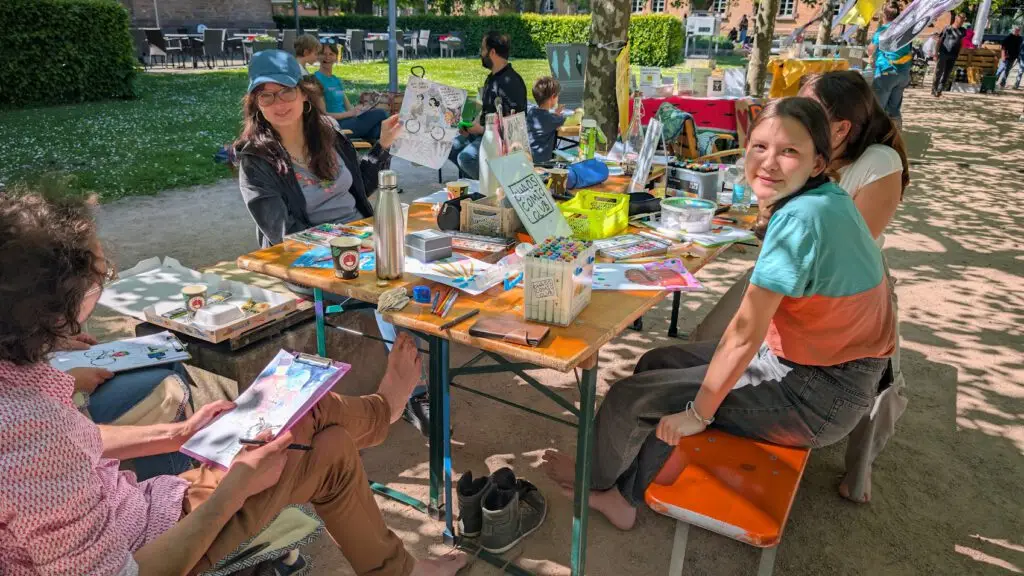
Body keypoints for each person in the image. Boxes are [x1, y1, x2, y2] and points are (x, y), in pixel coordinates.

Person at [0, 190, 467, 575]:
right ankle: (386, 409)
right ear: (54, 308)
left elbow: (74, 445)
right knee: (308, 412)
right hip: (156, 543)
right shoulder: (32, 434)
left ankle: (398, 568)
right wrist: (236, 487)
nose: (105, 282)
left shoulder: (21, 392)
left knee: (331, 450)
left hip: (145, 508)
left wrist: (177, 433)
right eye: (102, 275)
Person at [541, 97, 895, 530]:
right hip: (820, 368)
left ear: (818, 162)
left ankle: (600, 487)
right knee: (656, 363)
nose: (769, 162)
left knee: (629, 398)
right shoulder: (825, 197)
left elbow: (744, 335)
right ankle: (623, 483)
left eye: (789, 151)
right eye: (760, 147)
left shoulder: (800, 220)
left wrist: (699, 413)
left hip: (819, 392)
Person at [236, 50, 431, 435]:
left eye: (285, 91)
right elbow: (285, 237)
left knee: (429, 264)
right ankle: (414, 392)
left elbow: (361, 188)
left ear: (303, 93)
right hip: (311, 261)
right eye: (266, 95)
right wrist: (353, 243)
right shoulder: (255, 159)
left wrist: (383, 146)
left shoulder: (328, 134)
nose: (279, 103)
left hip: (362, 240)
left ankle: (423, 373)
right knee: (392, 283)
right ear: (256, 103)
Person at [449, 30, 528, 179]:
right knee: (451, 147)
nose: (481, 53)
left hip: (500, 140)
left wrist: (481, 130)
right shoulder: (491, 79)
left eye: (483, 49)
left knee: (466, 158)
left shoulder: (511, 83)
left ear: (492, 52)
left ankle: (493, 184)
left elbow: (512, 128)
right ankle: (474, 182)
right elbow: (485, 110)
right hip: (484, 132)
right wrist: (470, 126)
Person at [314, 39, 389, 141]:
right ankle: (374, 139)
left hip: (348, 120)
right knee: (381, 114)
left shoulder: (336, 80)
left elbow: (348, 106)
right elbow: (323, 115)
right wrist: (349, 114)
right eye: (324, 54)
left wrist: (359, 110)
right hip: (335, 125)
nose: (327, 57)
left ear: (336, 57)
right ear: (318, 56)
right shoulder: (316, 79)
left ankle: (371, 137)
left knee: (377, 127)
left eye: (331, 54)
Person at [870, 3, 913, 125]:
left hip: (886, 72)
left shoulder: (883, 30)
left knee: (878, 109)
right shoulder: (905, 30)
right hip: (903, 73)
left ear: (884, 15)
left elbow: (871, 49)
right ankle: (895, 133)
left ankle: (877, 134)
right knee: (894, 110)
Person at [526, 76, 566, 163]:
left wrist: (554, 114)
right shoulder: (550, 119)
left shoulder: (532, 112)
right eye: (557, 96)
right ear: (552, 97)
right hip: (543, 163)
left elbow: (545, 119)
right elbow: (563, 120)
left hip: (529, 158)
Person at [933, 12, 967, 96]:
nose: (962, 21)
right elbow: (939, 41)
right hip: (943, 53)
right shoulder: (947, 28)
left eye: (963, 20)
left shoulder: (963, 30)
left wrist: (959, 53)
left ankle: (940, 89)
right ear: (956, 18)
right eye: (961, 19)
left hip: (953, 55)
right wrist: (936, 53)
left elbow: (961, 43)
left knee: (947, 73)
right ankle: (934, 89)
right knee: (939, 72)